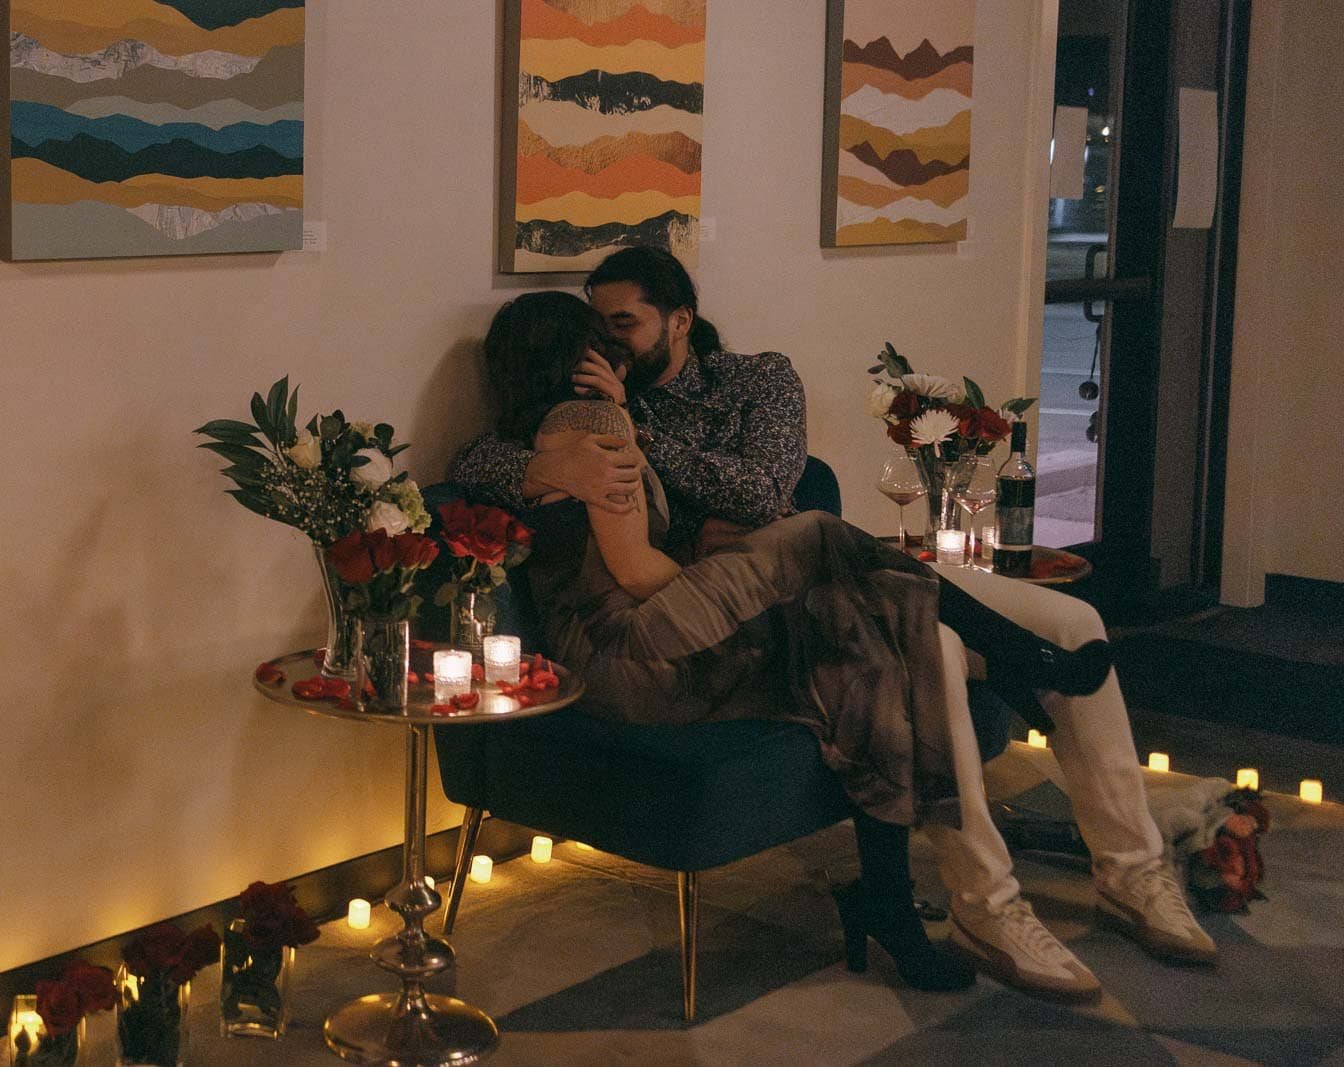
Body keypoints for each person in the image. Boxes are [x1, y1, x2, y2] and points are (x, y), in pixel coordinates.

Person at [450, 248, 1216, 1003]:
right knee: (909, 639)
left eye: (626, 324)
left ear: (679, 319)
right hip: (767, 587)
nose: (615, 344)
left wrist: (645, 438)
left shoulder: (757, 380)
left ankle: (1133, 868)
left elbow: (760, 491)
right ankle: (986, 899)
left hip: (800, 571)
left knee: (1076, 620)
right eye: (601, 330)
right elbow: (485, 459)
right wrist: (559, 461)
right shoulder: (595, 411)